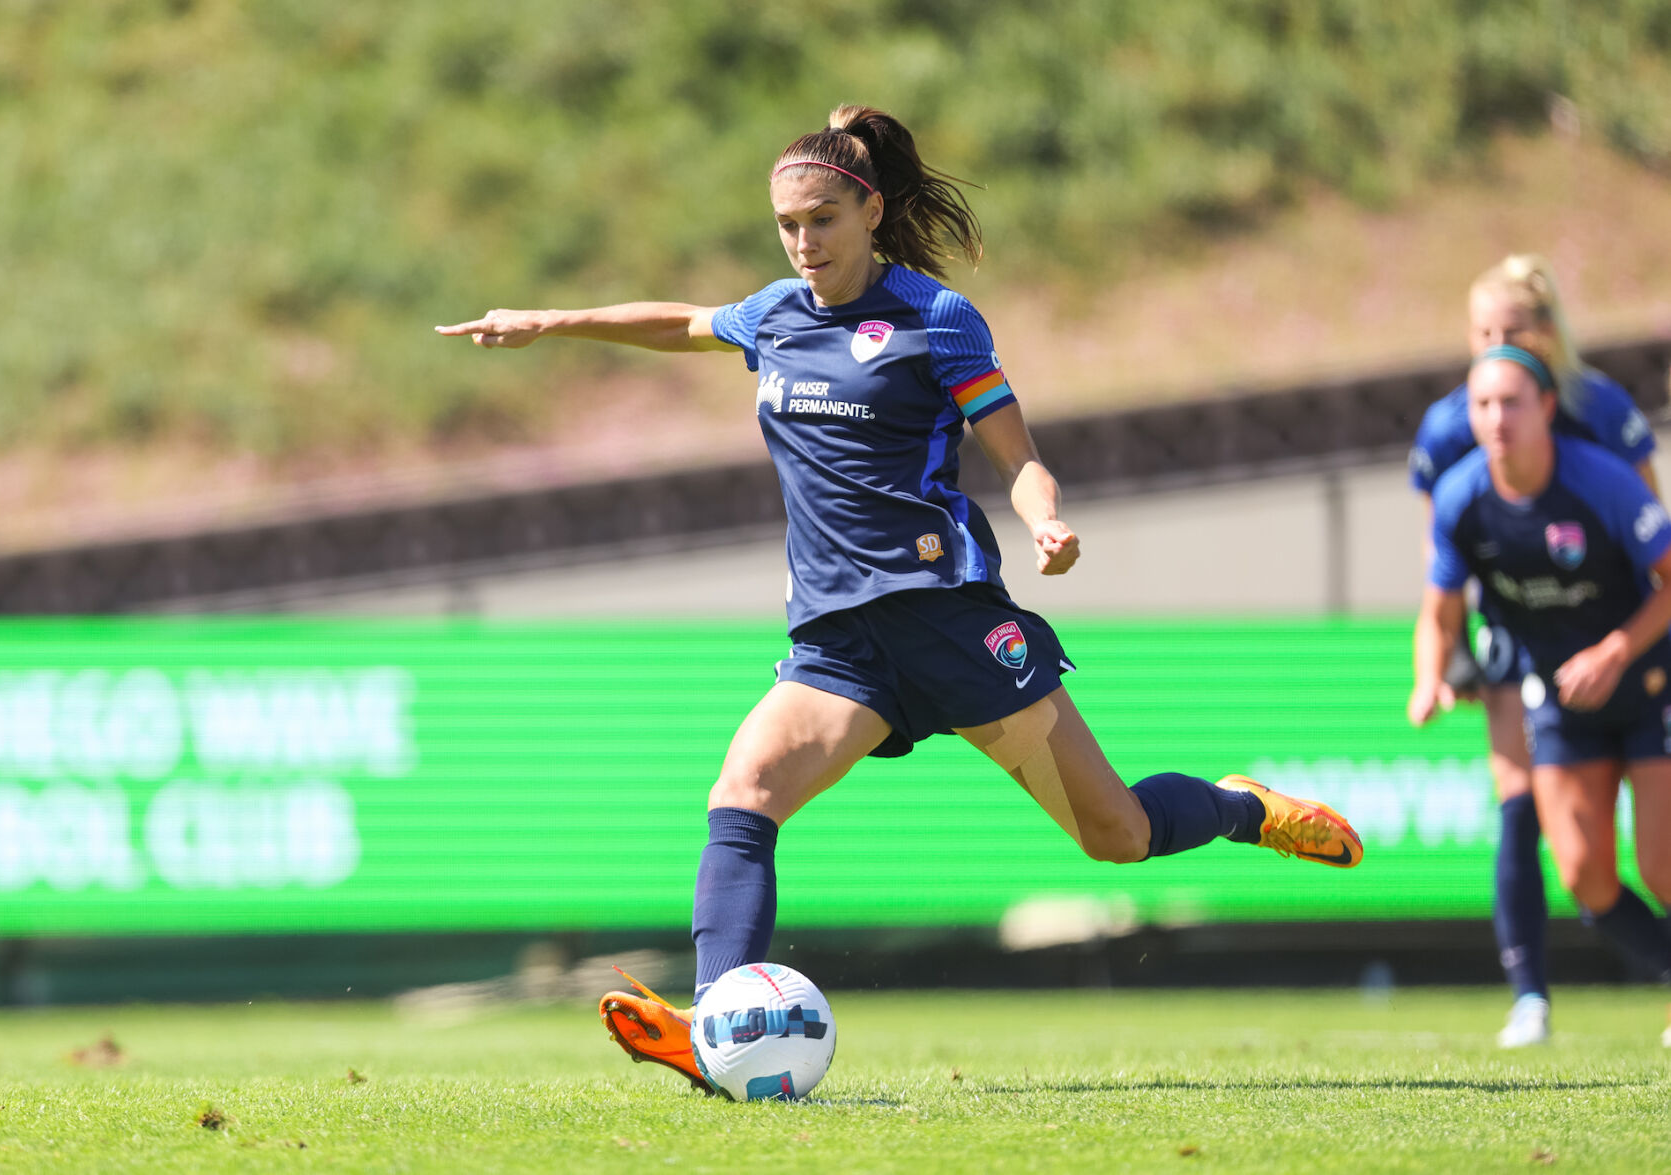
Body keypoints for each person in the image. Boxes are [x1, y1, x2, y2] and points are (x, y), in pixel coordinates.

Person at [439, 105, 1364, 1093]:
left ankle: (1240, 807)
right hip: (841, 644)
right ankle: (715, 1025)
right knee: (741, 793)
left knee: (1115, 836)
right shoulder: (774, 316)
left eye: (823, 219)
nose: (803, 242)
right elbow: (680, 319)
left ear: (869, 211)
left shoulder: (936, 319)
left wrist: (1044, 521)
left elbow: (1017, 456)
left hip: (952, 622)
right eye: (787, 224)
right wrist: (550, 321)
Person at [1407, 255, 1659, 1048]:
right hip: (1523, 635)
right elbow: (1443, 559)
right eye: (1481, 333)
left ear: (1547, 340)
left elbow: (1650, 534)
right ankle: (1529, 997)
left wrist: (1621, 644)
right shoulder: (1452, 429)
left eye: (1510, 331)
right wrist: (1440, 663)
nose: (1494, 347)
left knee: (1657, 857)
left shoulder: (1598, 418)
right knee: (1527, 817)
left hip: (1624, 635)